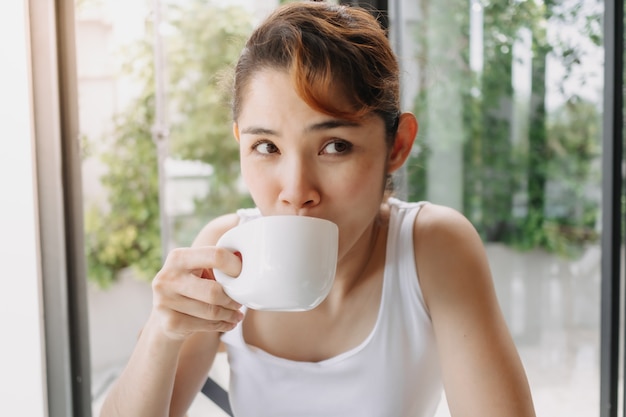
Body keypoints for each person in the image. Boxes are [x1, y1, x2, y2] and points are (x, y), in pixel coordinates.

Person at [100, 1, 536, 416]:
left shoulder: (432, 247)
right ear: (239, 144)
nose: (295, 191)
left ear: (397, 145)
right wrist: (161, 332)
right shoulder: (225, 253)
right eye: (266, 146)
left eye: (334, 146)